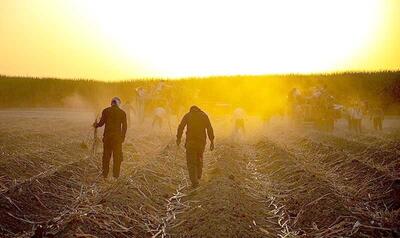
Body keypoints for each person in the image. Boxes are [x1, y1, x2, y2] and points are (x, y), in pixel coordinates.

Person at [177, 106, 214, 188]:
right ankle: (198, 175)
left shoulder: (187, 115)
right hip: (201, 143)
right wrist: (212, 141)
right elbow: (209, 128)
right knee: (199, 158)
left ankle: (194, 182)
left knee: (191, 162)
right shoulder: (204, 116)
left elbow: (181, 127)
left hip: (190, 143)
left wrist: (178, 138)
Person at [94, 97, 127, 180]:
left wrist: (96, 125)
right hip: (117, 139)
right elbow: (125, 127)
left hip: (107, 138)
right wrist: (122, 137)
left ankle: (105, 175)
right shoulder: (122, 113)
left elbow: (101, 123)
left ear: (111, 103)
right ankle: (115, 176)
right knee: (117, 157)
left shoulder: (106, 111)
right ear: (119, 104)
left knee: (106, 157)